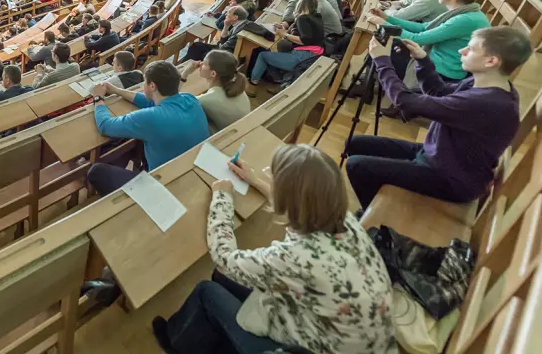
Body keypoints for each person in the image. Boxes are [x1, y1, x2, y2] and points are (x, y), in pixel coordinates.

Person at [152, 145, 395, 354]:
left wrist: (222, 198)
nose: (269, 175)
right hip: (358, 339)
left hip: (305, 348)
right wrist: (256, 180)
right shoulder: (344, 219)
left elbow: (223, 257)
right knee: (223, 280)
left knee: (207, 289)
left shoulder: (297, 257)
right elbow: (301, 206)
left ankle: (177, 342)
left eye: (274, 177)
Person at [346, 26, 531, 209]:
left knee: (357, 166)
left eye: (471, 49)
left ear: (491, 61)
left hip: (451, 179)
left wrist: (382, 61)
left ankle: (379, 224)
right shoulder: (486, 83)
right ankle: (379, 200)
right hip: (440, 154)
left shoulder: (487, 102)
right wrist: (422, 60)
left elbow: (404, 102)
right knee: (353, 143)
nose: (462, 50)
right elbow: (438, 91)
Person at [87, 61, 210, 195]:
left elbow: (105, 125)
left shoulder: (150, 117)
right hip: (194, 171)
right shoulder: (190, 99)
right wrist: (116, 91)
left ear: (152, 86)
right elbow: (151, 102)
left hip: (167, 186)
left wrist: (98, 98)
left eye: (145, 82)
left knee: (96, 171)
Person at [367, 0, 489, 81]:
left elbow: (418, 39)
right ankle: (376, 83)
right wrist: (387, 18)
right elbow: (424, 28)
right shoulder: (464, 12)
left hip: (444, 71)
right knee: (390, 45)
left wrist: (385, 24)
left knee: (388, 46)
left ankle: (394, 92)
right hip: (438, 61)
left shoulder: (464, 19)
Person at [250, 0, 324, 87]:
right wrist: (284, 30)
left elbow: (304, 40)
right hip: (313, 56)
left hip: (302, 58)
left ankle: (252, 83)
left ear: (300, 6)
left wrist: (284, 35)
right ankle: (278, 79)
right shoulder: (317, 18)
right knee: (277, 50)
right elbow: (306, 35)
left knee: (262, 55)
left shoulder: (303, 18)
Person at [181, 50, 250, 133]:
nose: (201, 64)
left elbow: (172, 101)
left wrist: (184, 74)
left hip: (221, 139)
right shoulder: (238, 88)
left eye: (205, 63)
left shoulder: (207, 100)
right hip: (239, 132)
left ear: (213, 74)